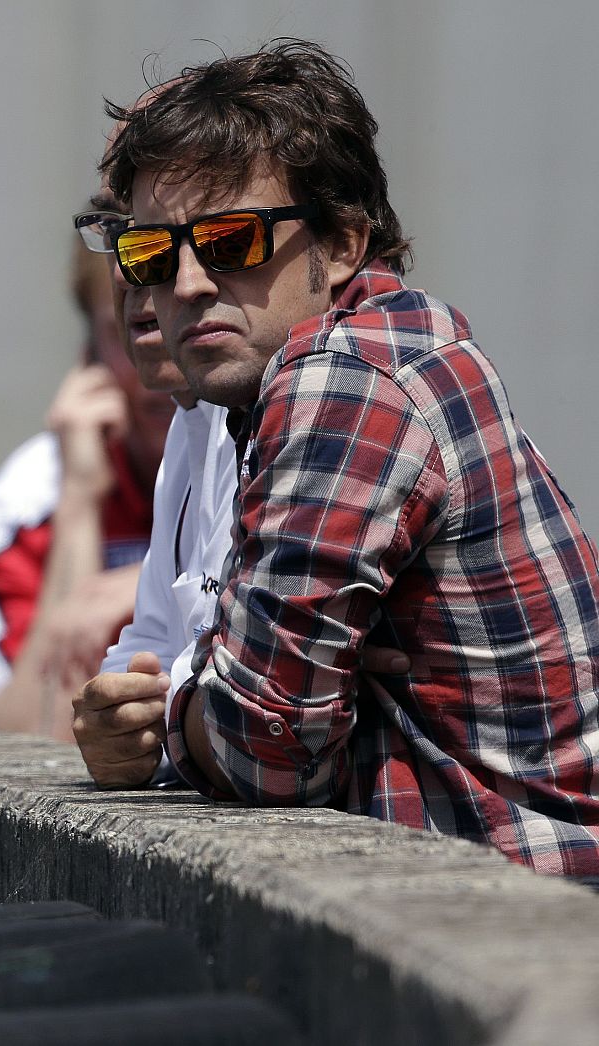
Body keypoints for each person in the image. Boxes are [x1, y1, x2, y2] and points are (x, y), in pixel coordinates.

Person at [91, 39, 599, 874]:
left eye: (232, 241)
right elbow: (268, 708)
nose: (182, 284)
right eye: (151, 251)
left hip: (528, 919)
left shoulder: (347, 380)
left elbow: (266, 747)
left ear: (341, 245)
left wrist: (185, 716)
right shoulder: (329, 370)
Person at [0, 239, 174, 739]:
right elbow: (33, 740)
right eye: (136, 329)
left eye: (181, 321)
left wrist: (145, 582)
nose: (164, 366)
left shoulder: (280, 448)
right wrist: (79, 504)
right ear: (88, 355)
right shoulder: (20, 508)